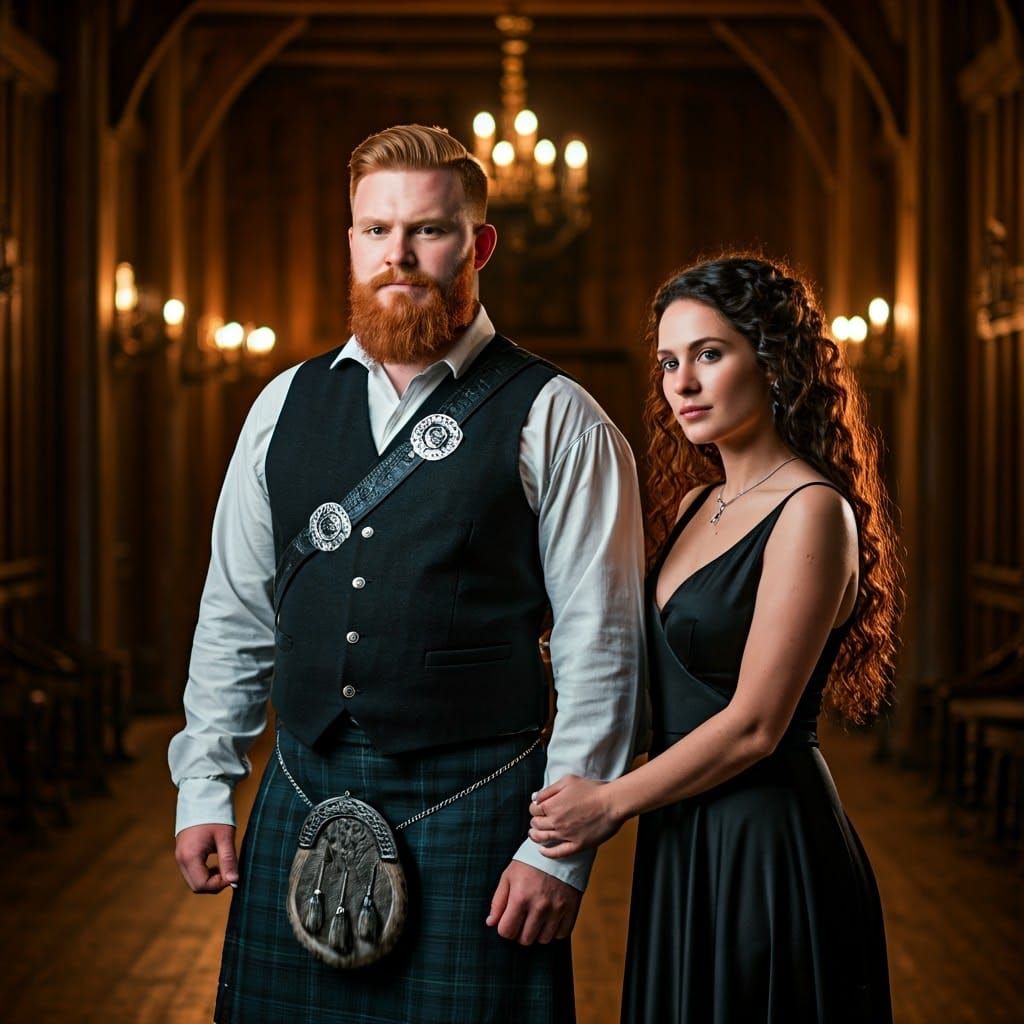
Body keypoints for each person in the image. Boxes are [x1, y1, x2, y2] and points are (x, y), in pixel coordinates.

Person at [168, 124, 645, 1024]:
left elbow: (602, 646)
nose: (400, 254)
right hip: (302, 781)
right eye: (376, 229)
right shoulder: (284, 405)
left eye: (428, 229)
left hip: (479, 806)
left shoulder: (558, 417)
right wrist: (204, 784)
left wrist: (558, 855)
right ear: (350, 240)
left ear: (480, 244)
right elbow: (235, 611)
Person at [528, 254, 899, 1023]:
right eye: (669, 361)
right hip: (683, 835)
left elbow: (757, 725)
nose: (681, 383)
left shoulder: (811, 511)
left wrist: (609, 805)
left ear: (773, 360)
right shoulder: (700, 502)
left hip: (768, 847)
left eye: (708, 353)